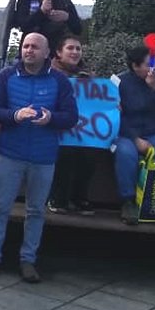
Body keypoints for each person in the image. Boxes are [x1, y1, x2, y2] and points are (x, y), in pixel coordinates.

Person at [0, 33, 77, 284]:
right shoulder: (6, 76)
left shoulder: (60, 81)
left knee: (35, 211)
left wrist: (51, 118)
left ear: (47, 53)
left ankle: (28, 260)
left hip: (43, 156)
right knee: (0, 207)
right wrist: (14, 115)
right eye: (26, 46)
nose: (29, 50)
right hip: (11, 153)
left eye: (35, 47)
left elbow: (71, 117)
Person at [115, 45, 155, 229]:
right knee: (126, 154)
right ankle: (128, 203)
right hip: (127, 132)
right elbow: (115, 116)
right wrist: (134, 138)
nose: (153, 68)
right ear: (135, 66)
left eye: (154, 63)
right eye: (148, 64)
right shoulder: (120, 82)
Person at [47, 34, 96, 215]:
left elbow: (97, 103)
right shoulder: (49, 74)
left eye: (78, 49)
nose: (75, 52)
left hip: (82, 130)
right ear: (59, 52)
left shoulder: (88, 77)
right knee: (65, 150)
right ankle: (58, 197)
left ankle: (79, 196)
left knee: (91, 151)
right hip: (56, 128)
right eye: (70, 48)